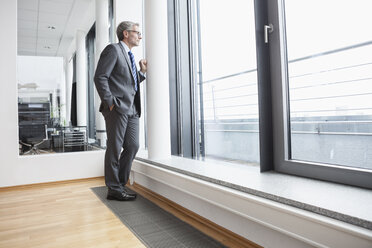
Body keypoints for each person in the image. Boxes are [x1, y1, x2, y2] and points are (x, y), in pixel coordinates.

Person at [94, 21, 147, 201]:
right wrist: (110, 102)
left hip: (131, 108)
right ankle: (114, 188)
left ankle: (119, 184)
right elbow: (100, 77)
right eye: (137, 33)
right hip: (116, 107)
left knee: (133, 145)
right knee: (115, 148)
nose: (140, 36)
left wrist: (141, 72)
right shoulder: (113, 50)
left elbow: (127, 84)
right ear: (126, 33)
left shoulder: (130, 56)